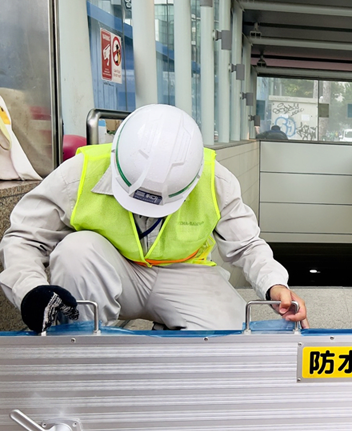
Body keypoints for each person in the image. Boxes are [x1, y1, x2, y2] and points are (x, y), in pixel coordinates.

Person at [0, 104, 307, 332]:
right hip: (111, 272)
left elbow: (247, 245)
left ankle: (169, 335)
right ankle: (85, 349)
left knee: (230, 335)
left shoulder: (216, 181)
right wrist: (30, 291)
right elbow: (25, 238)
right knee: (75, 250)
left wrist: (275, 285)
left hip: (184, 274)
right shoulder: (78, 173)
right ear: (115, 154)